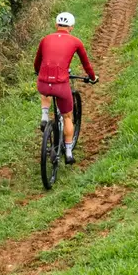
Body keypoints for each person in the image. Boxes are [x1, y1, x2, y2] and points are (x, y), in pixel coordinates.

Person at [34, 12, 97, 164]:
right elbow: (86, 65)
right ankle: (68, 153)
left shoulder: (45, 39)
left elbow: (37, 63)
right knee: (67, 116)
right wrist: (92, 77)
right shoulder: (76, 42)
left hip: (43, 83)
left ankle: (44, 116)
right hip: (61, 85)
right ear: (71, 27)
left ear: (56, 25)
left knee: (46, 90)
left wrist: (38, 72)